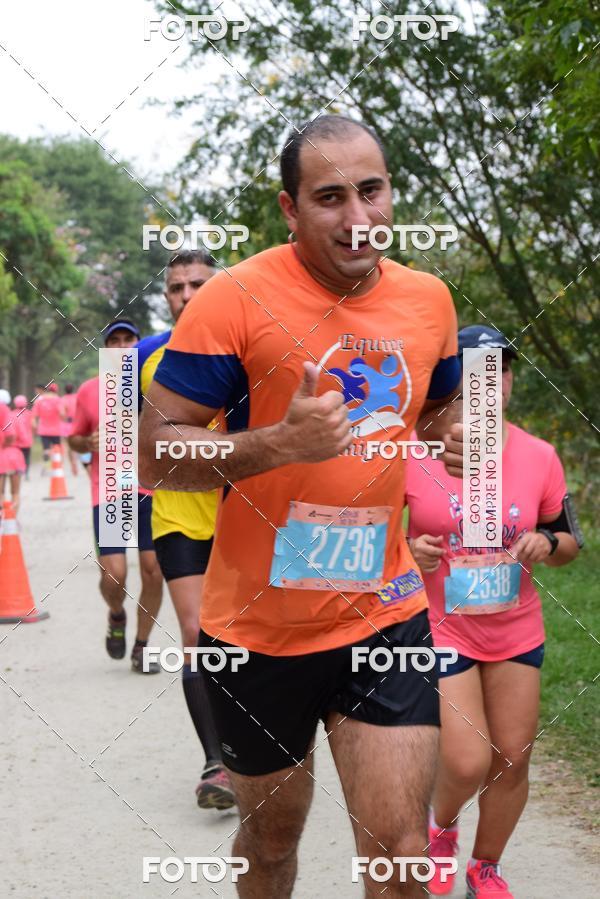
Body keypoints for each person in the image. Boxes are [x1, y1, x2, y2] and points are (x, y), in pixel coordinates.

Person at [139, 115, 464, 898]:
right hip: (257, 631)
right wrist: (278, 445)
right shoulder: (232, 298)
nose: (357, 217)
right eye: (329, 197)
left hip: (381, 614)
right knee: (274, 841)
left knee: (400, 852)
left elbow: (438, 418)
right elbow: (152, 454)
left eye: (372, 190)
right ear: (290, 209)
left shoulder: (429, 302)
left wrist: (457, 442)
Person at [405, 325, 583, 899]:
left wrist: (546, 545)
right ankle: (440, 828)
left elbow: (568, 540)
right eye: (475, 371)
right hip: (441, 626)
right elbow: (380, 539)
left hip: (515, 627)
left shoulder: (539, 455)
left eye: (499, 371)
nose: (489, 382)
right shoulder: (414, 451)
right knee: (465, 762)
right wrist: (409, 550)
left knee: (512, 758)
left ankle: (486, 867)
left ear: (507, 384)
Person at [137, 250, 235, 809]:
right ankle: (216, 764)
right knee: (198, 636)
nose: (187, 296)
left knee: (249, 642)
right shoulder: (151, 362)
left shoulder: (249, 351)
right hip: (179, 517)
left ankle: (261, 750)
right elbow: (141, 448)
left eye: (199, 284)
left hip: (248, 519)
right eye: (177, 287)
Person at [69, 319, 163, 674]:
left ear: (139, 345)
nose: (123, 347)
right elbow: (73, 437)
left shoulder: (156, 386)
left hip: (151, 490)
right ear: (105, 349)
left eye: (129, 340)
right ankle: (117, 612)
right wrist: (85, 442)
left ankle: (141, 647)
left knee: (153, 571)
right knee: (115, 577)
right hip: (110, 491)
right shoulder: (90, 390)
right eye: (115, 341)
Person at [0, 389, 26, 513]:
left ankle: (3, 521)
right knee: (15, 492)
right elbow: (20, 436)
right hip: (15, 455)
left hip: (1, 456)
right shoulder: (14, 417)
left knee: (1, 492)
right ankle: (12, 521)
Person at [32, 382, 64, 469]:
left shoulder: (39, 400)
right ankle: (58, 465)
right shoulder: (58, 399)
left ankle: (46, 465)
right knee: (57, 447)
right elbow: (62, 413)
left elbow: (34, 417)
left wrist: (34, 428)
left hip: (43, 429)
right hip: (56, 429)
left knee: (46, 448)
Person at [12, 395, 33, 479]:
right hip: (27, 440)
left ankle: (18, 471)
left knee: (17, 457)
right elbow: (33, 425)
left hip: (16, 441)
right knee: (26, 457)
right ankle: (26, 472)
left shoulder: (12, 414)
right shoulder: (29, 413)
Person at [61, 383, 79, 476]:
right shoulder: (77, 397)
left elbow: (62, 413)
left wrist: (63, 419)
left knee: (65, 445)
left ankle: (63, 465)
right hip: (76, 423)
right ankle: (74, 463)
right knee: (74, 446)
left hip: (66, 424)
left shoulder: (63, 399)